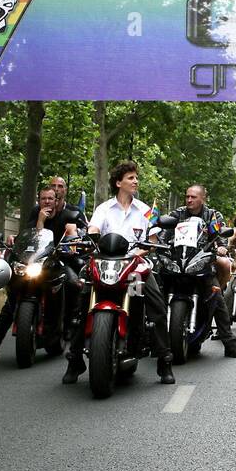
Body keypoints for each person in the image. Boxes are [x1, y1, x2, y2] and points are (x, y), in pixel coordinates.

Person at [86, 160, 175, 383]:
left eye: (136, 177)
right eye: (130, 178)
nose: (135, 181)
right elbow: (94, 228)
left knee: (156, 305)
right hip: (105, 265)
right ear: (118, 182)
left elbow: (152, 241)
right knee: (80, 296)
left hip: (135, 269)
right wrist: (93, 234)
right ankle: (74, 358)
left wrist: (138, 254)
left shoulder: (146, 211)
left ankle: (164, 361)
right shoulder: (103, 208)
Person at [0, 184, 77, 371]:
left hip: (58, 262)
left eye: (50, 198)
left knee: (72, 283)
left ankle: (69, 328)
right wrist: (40, 220)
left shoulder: (67, 214)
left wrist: (71, 243)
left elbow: (73, 236)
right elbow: (31, 238)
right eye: (43, 198)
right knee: (12, 298)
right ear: (39, 200)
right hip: (35, 264)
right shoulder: (36, 213)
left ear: (57, 200)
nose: (47, 202)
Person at [163, 184, 236, 358]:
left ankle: (229, 343)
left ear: (203, 199)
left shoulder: (213, 215)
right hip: (178, 260)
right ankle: (154, 339)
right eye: (187, 197)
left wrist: (222, 247)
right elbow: (165, 233)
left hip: (201, 262)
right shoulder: (178, 214)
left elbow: (221, 235)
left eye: (193, 197)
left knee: (216, 296)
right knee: (158, 283)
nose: (189, 200)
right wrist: (161, 243)